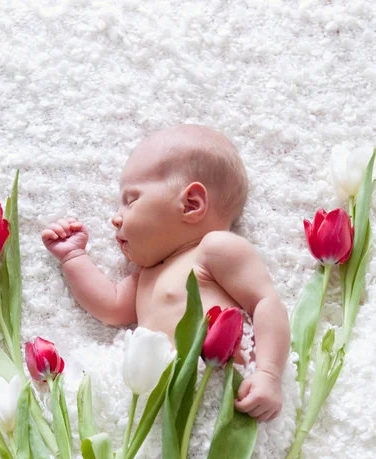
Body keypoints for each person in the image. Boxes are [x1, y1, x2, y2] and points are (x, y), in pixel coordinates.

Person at [41, 124, 291, 422]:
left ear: (190, 204)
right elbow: (109, 307)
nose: (115, 218)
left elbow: (265, 303)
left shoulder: (214, 250)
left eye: (131, 200)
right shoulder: (145, 276)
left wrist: (269, 374)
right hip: (162, 410)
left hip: (228, 395)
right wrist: (73, 256)